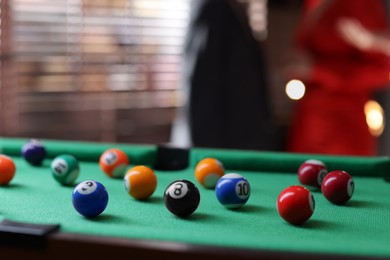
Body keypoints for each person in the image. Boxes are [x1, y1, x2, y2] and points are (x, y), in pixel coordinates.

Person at [285, 0, 390, 156]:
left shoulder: (361, 3)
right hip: (309, 116)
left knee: (341, 175)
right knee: (302, 174)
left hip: (344, 122)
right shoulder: (312, 3)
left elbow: (383, 71)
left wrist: (318, 70)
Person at [171, 0, 278, 151]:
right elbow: (200, 85)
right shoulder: (212, 6)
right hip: (220, 148)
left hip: (240, 142)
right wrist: (204, 153)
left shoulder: (234, 8)